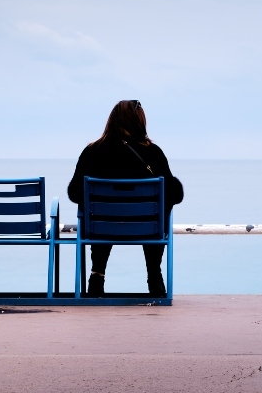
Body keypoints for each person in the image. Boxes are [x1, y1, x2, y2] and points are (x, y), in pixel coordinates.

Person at [68, 100, 183, 297]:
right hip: (146, 228)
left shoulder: (92, 151)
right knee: (162, 206)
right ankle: (154, 274)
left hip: (102, 228)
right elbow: (176, 195)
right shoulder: (153, 153)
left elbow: (74, 193)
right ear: (140, 121)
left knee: (98, 213)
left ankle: (97, 274)